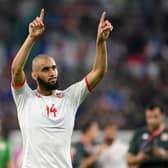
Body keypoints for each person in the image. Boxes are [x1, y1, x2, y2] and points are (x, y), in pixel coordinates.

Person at [11, 8, 113, 168]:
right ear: (34, 75)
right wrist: (31, 38)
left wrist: (101, 42)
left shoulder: (70, 98)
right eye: (45, 69)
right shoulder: (25, 98)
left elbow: (99, 72)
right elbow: (16, 70)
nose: (52, 72)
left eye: (54, 67)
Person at [127, 103, 168, 168]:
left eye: (155, 117)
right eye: (149, 117)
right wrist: (138, 158)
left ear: (162, 116)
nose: (152, 120)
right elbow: (128, 159)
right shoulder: (139, 133)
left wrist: (164, 154)